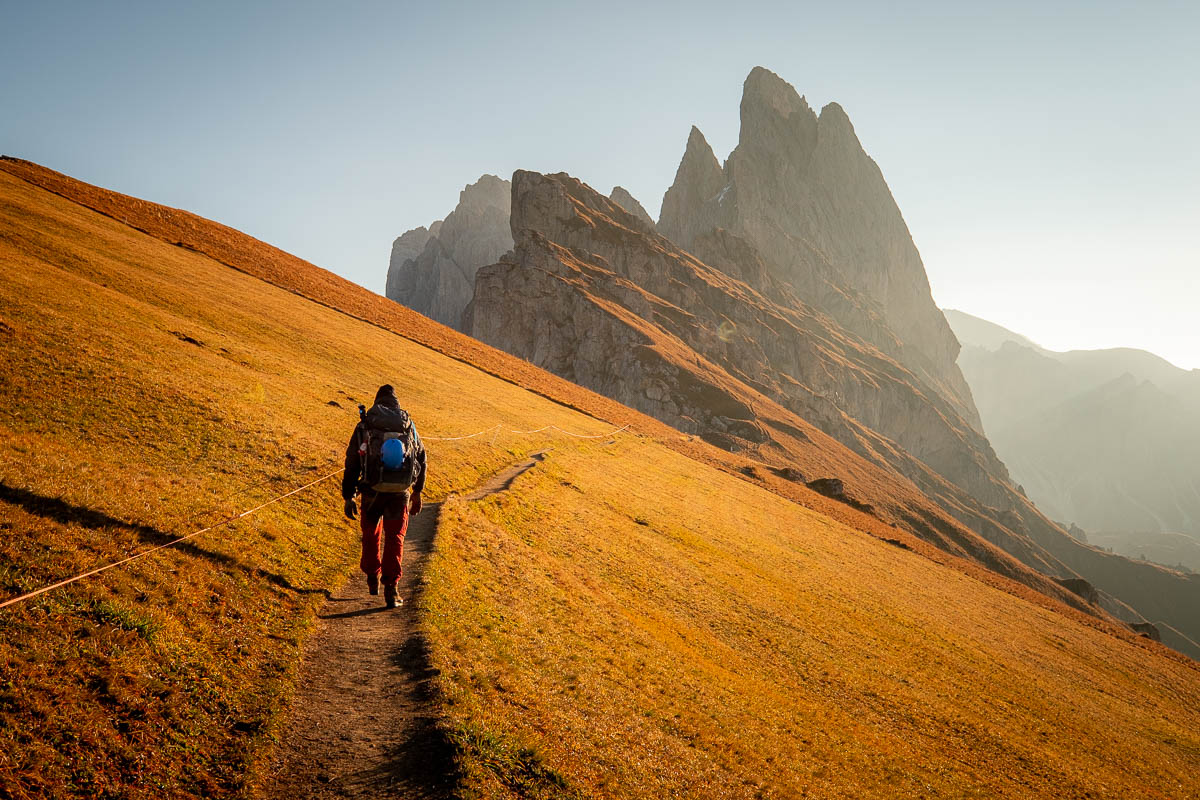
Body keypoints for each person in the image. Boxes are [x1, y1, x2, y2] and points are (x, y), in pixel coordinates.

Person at [341, 385, 426, 608]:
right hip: (400, 493)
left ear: (377, 401)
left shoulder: (366, 424)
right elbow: (421, 457)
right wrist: (416, 493)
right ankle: (392, 589)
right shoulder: (408, 424)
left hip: (371, 491)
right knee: (395, 537)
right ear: (396, 403)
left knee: (371, 534)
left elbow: (352, 462)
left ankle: (372, 577)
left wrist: (348, 496)